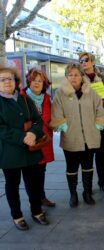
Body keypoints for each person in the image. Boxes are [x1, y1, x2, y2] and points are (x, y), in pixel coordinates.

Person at [51, 62, 104, 207]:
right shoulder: (60, 93)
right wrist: (63, 126)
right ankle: (73, 194)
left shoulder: (92, 92)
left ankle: (87, 193)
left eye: (76, 74)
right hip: (71, 137)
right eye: (70, 75)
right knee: (71, 167)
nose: (73, 77)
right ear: (66, 77)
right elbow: (57, 112)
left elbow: (99, 110)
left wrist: (98, 125)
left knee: (88, 166)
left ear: (82, 76)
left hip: (90, 136)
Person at [0, 66, 49, 230]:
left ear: (16, 81)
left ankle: (37, 211)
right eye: (3, 79)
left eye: (10, 78)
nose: (7, 81)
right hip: (10, 153)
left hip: (30, 152)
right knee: (12, 185)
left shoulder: (24, 98)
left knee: (33, 183)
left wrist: (34, 134)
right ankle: (17, 215)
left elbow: (38, 120)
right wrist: (23, 137)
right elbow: (1, 129)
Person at [21, 68, 55, 207]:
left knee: (41, 170)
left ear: (44, 83)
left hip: (44, 140)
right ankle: (34, 203)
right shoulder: (22, 96)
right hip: (29, 139)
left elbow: (49, 117)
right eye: (34, 80)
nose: (36, 83)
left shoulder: (46, 98)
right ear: (29, 81)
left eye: (40, 81)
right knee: (30, 174)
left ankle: (41, 197)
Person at [79, 52, 104, 193]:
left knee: (100, 154)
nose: (83, 62)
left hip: (101, 120)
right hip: (86, 122)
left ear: (92, 61)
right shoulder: (79, 79)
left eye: (86, 60)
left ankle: (102, 181)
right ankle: (87, 186)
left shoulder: (102, 78)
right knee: (87, 156)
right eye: (81, 61)